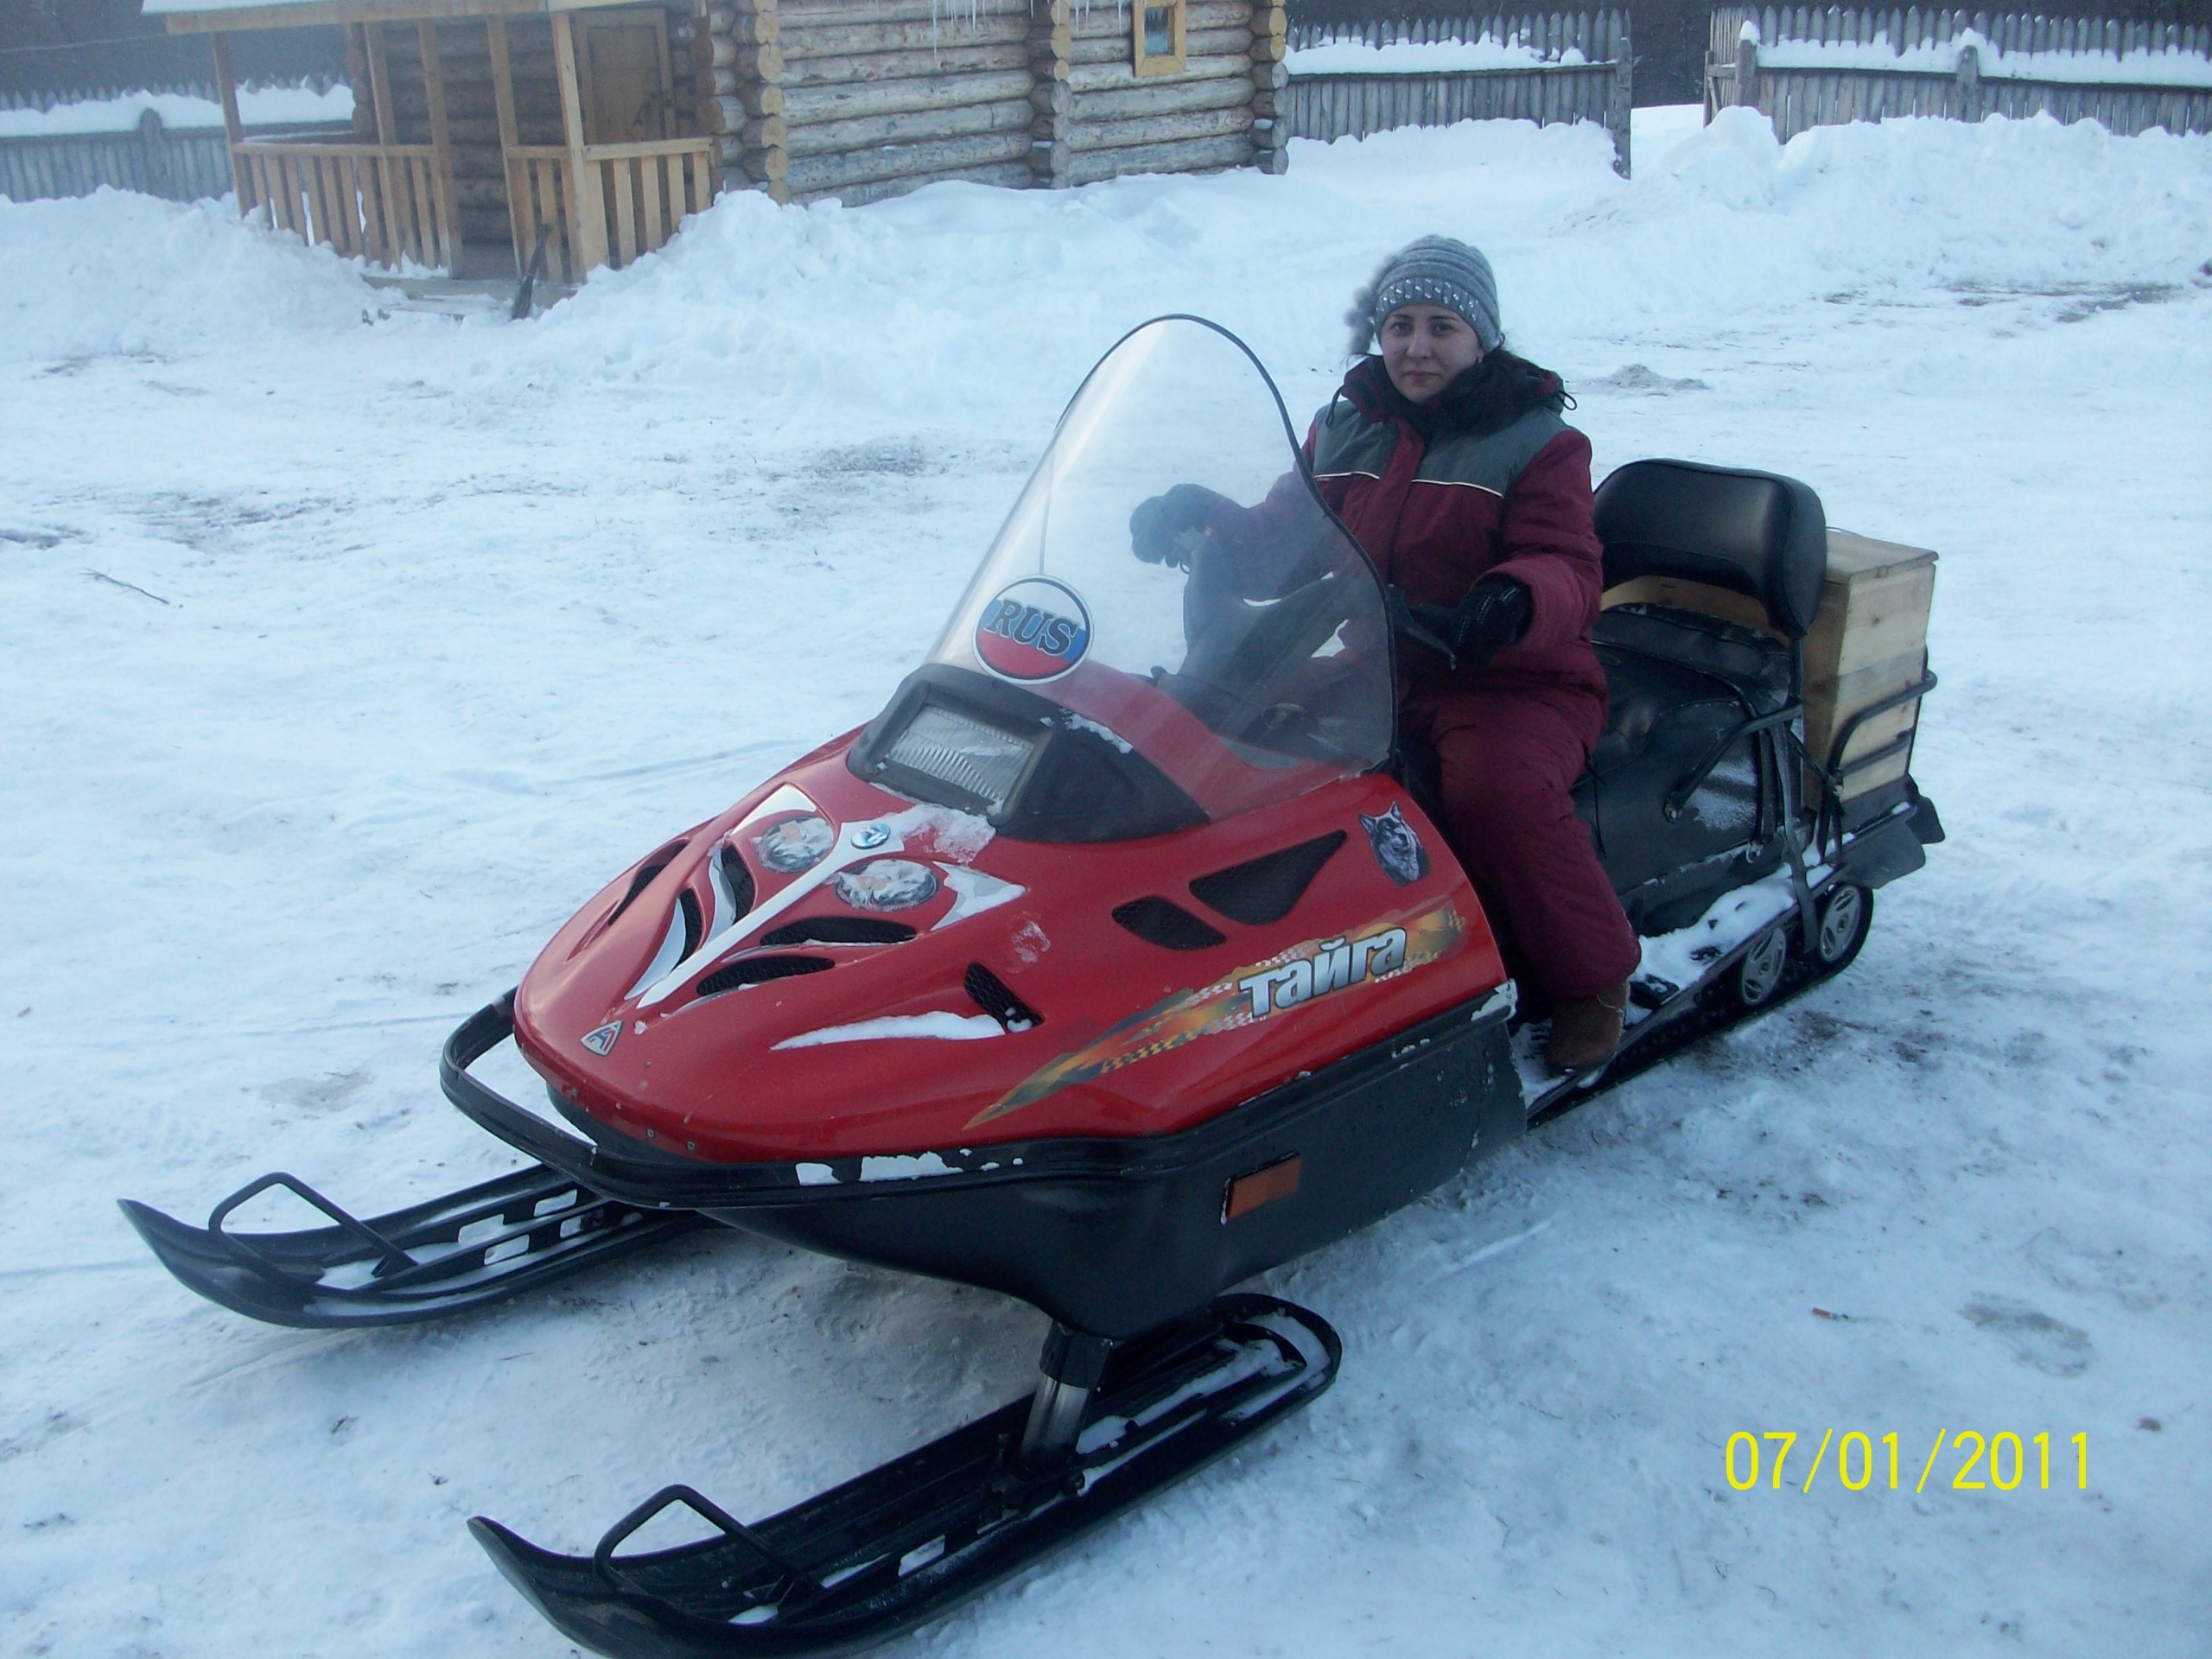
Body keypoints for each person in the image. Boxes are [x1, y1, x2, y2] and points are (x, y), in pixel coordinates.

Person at [1133, 238, 1639, 1071]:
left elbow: (1571, 568)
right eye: (1400, 325)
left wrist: (1515, 597)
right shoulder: (1347, 428)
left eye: (1442, 327)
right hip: (1380, 672)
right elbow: (1281, 543)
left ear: (1482, 338)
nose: (1416, 347)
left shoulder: (1537, 443)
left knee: (1496, 794)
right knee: (1222, 730)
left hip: (1510, 681)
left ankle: (1594, 978)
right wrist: (1200, 517)